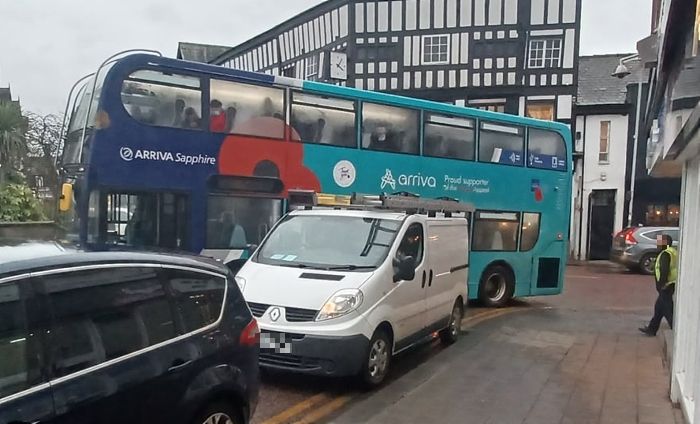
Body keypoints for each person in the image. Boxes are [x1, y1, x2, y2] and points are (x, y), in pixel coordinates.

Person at [639, 234, 678, 336]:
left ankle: (676, 329)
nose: (657, 244)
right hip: (671, 284)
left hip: (666, 285)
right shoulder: (672, 252)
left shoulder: (665, 254)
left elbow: (664, 270)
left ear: (665, 243)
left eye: (659, 242)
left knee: (668, 310)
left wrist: (662, 284)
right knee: (659, 307)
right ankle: (652, 329)